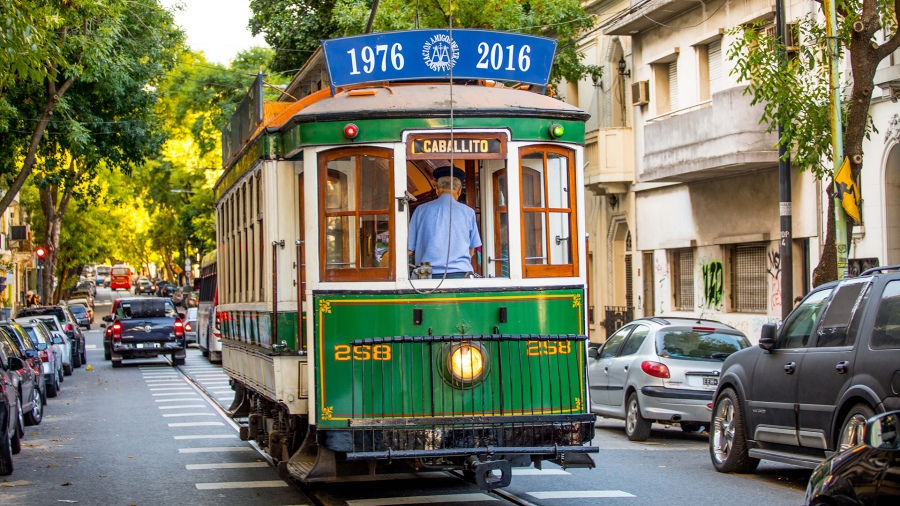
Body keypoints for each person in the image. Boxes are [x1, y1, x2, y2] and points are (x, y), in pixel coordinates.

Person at [408, 165, 482, 279]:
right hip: (461, 273)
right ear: (459, 190)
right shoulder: (468, 212)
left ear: (437, 189)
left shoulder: (420, 210)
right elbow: (473, 248)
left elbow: (409, 249)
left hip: (426, 273)